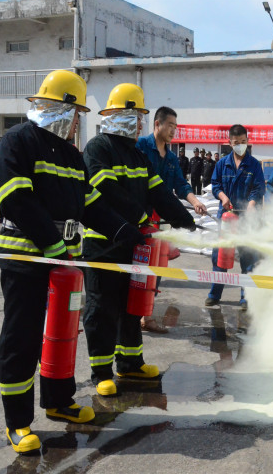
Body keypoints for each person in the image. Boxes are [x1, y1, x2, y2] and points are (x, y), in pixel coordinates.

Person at [0, 70, 145, 455]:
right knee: (21, 338)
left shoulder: (71, 154)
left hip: (62, 261)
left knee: (62, 333)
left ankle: (59, 402)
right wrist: (52, 244)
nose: (79, 122)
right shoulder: (17, 143)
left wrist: (124, 230)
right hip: (25, 257)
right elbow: (16, 200)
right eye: (77, 114)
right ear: (62, 109)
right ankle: (17, 422)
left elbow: (90, 203)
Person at [82, 83, 196, 398]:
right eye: (133, 115)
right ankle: (101, 372)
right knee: (101, 308)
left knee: (132, 305)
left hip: (132, 245)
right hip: (103, 244)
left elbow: (158, 191)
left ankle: (130, 363)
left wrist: (183, 218)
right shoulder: (98, 147)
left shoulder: (137, 155)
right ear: (116, 115)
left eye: (140, 117)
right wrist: (141, 217)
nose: (138, 123)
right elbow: (107, 189)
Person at [136, 106, 207, 333]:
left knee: (156, 268)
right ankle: (131, 314)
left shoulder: (172, 158)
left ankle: (146, 316)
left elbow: (181, 184)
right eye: (170, 125)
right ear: (157, 124)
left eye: (176, 126)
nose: (173, 130)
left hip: (160, 220)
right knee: (135, 267)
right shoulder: (140, 148)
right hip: (137, 217)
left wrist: (195, 202)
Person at [205, 124, 265, 310]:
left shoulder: (254, 164)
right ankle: (215, 294)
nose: (241, 145)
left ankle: (245, 297)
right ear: (230, 143)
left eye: (244, 142)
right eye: (237, 142)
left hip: (246, 218)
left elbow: (259, 188)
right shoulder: (222, 164)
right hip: (226, 218)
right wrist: (222, 197)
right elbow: (215, 185)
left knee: (247, 258)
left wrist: (252, 204)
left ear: (248, 141)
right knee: (220, 257)